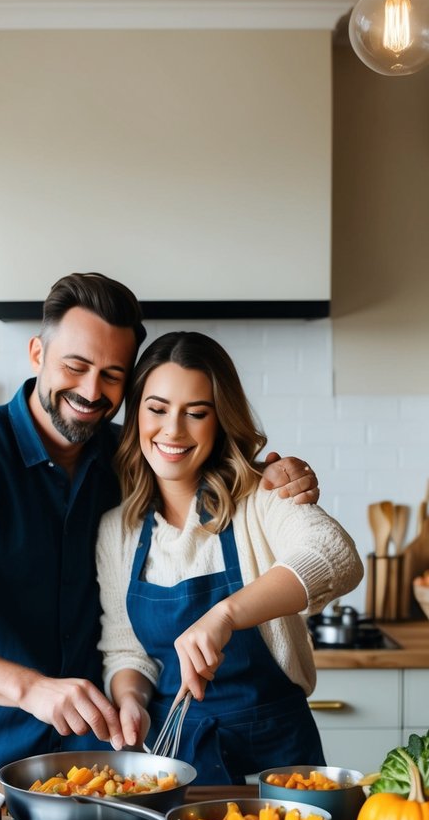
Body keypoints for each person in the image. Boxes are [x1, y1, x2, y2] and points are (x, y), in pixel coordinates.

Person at [0, 272, 320, 774]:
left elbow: (214, 469)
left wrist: (276, 473)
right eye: (75, 366)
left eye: (113, 375)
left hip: (98, 761)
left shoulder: (132, 458)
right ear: (37, 353)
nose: (92, 391)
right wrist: (31, 689)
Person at [97, 330, 363, 784]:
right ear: (135, 413)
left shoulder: (264, 495)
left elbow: (337, 557)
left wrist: (226, 614)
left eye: (196, 413)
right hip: (173, 762)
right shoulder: (118, 530)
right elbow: (127, 650)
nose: (173, 431)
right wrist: (130, 700)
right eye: (157, 409)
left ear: (220, 420)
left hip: (281, 762)